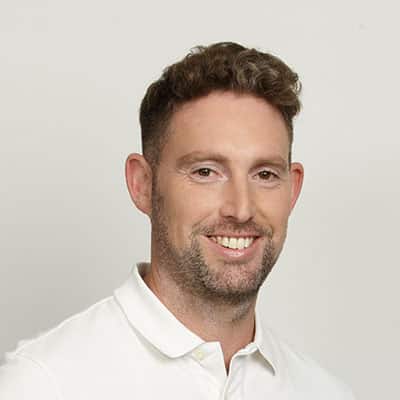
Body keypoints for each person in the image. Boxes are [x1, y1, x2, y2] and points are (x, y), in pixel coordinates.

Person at [0, 42, 355, 399]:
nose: (241, 209)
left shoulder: (326, 393)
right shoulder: (42, 384)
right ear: (143, 185)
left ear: (292, 190)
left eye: (264, 175)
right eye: (206, 172)